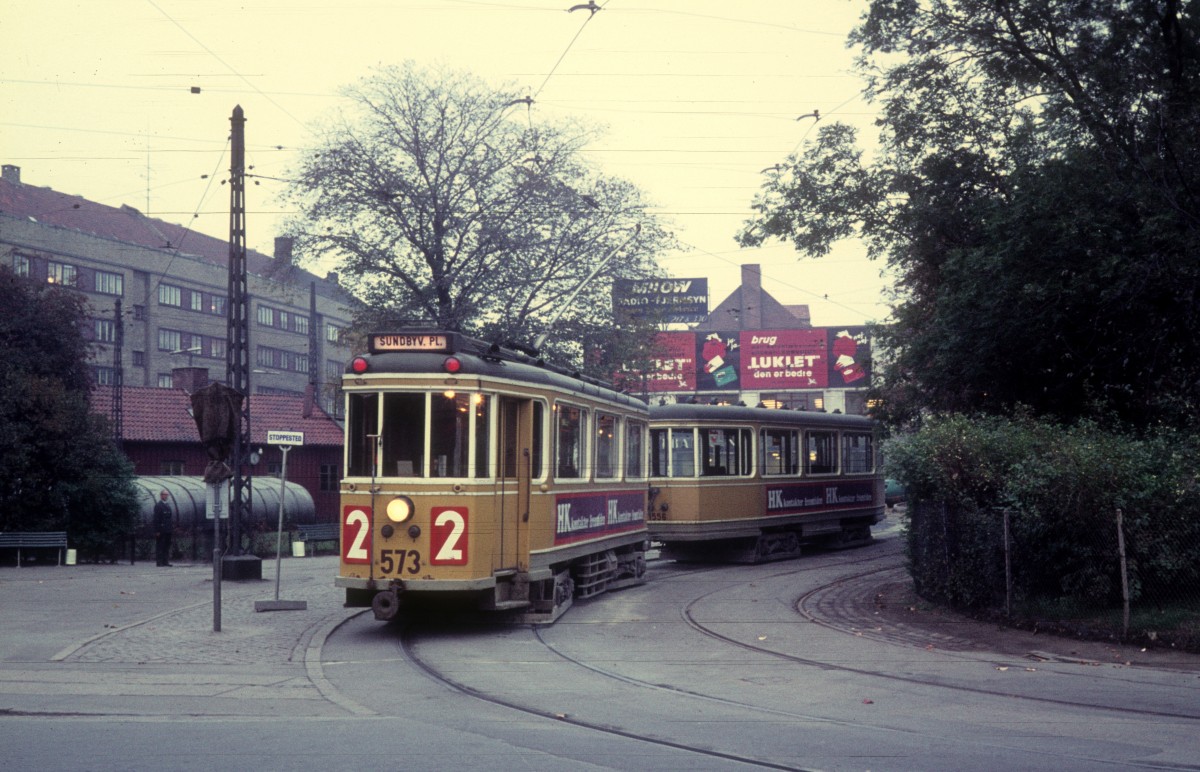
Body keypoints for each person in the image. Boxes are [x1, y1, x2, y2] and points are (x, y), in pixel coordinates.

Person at [153, 490, 174, 567]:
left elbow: (169, 518)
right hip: (161, 530)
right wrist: (157, 530)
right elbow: (156, 519)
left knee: (166, 546)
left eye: (167, 495)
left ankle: (165, 561)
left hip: (168, 529)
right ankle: (159, 562)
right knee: (160, 546)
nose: (166, 496)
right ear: (161, 495)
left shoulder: (168, 505)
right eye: (164, 495)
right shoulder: (158, 506)